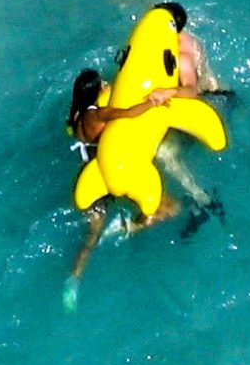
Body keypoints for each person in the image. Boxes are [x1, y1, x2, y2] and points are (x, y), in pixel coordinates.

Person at [64, 69, 179, 295]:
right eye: (101, 84)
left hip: (89, 174)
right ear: (96, 91)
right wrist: (153, 102)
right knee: (171, 207)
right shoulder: (97, 114)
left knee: (90, 238)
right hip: (112, 171)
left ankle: (73, 280)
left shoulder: (76, 113)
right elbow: (128, 113)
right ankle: (127, 227)